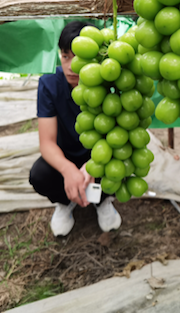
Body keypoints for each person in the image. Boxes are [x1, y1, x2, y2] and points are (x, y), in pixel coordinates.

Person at [29, 21, 121, 237]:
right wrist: (67, 170)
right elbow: (47, 143)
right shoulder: (49, 83)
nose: (71, 67)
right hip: (66, 155)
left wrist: (94, 164)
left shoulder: (110, 82)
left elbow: (119, 135)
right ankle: (65, 202)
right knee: (40, 175)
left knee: (122, 165)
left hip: (102, 155)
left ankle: (103, 200)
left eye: (79, 58)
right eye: (65, 56)